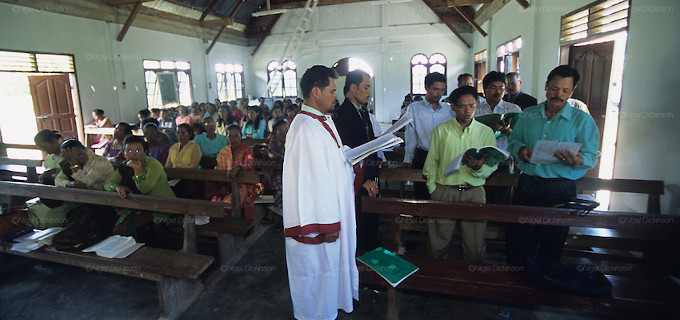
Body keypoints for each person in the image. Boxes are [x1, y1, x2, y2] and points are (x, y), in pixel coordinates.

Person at [283, 65, 358, 320]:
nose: (336, 96)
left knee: (328, 273)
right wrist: (327, 225)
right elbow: (310, 181)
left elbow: (329, 159)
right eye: (332, 90)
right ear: (316, 91)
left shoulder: (321, 120)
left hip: (333, 209)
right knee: (316, 275)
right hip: (319, 220)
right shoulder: (306, 128)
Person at [506, 65, 600, 267]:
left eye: (565, 91)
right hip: (528, 184)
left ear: (572, 92)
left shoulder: (582, 120)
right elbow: (514, 141)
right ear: (546, 87)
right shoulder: (529, 114)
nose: (559, 95)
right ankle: (516, 286)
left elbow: (592, 155)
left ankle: (545, 283)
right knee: (520, 238)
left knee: (552, 241)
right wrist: (521, 150)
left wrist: (578, 160)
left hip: (560, 188)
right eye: (555, 89)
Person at [423, 86, 498, 261]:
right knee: (438, 243)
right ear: (453, 107)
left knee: (474, 244)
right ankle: (436, 279)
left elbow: (492, 164)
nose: (468, 110)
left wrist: (479, 168)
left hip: (474, 192)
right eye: (463, 106)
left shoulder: (485, 132)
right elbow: (431, 163)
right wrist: (433, 188)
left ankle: (472, 282)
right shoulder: (441, 131)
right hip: (444, 191)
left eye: (472, 105)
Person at [333, 69, 380, 251]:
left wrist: (372, 175)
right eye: (366, 87)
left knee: (369, 225)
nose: (369, 92)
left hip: (368, 177)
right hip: (356, 182)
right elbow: (347, 154)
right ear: (353, 88)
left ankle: (369, 265)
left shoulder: (364, 113)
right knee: (358, 228)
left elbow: (371, 147)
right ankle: (360, 271)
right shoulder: (341, 115)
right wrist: (365, 178)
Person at [105, 135, 175, 245]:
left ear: (145, 151)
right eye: (129, 151)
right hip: (137, 206)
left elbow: (145, 189)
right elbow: (108, 184)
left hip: (161, 206)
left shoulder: (154, 165)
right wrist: (116, 187)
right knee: (117, 228)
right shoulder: (124, 166)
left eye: (138, 150)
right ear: (124, 154)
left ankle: (151, 252)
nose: (133, 155)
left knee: (137, 229)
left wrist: (138, 171)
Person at [403, 72, 453, 199]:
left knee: (443, 193)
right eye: (436, 89)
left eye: (442, 90)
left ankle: (440, 219)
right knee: (422, 194)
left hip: (444, 156)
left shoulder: (448, 109)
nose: (439, 93)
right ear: (426, 87)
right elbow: (411, 135)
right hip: (423, 155)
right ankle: (422, 219)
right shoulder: (414, 108)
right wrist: (408, 158)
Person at [475, 71, 522, 206]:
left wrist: (507, 131)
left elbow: (520, 137)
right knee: (481, 197)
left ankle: (501, 224)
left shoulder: (513, 109)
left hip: (504, 159)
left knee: (502, 198)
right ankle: (481, 225)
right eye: (493, 87)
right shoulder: (476, 109)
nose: (498, 91)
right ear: (485, 90)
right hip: (481, 158)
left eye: (501, 87)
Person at [216, 125, 263, 220]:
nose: (233, 139)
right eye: (230, 136)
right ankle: (225, 224)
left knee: (232, 201)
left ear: (241, 136)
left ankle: (241, 223)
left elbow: (249, 164)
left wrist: (238, 167)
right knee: (216, 200)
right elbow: (220, 169)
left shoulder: (247, 149)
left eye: (236, 135)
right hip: (227, 183)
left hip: (246, 183)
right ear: (227, 137)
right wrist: (225, 185)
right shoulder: (223, 152)